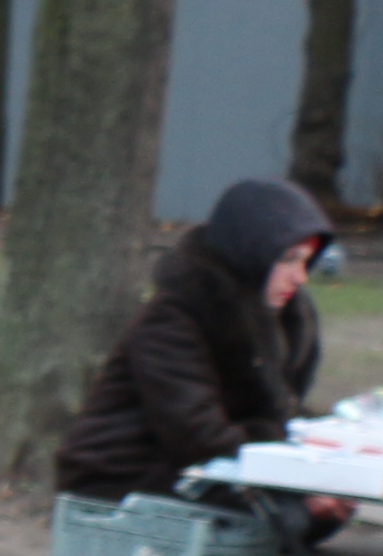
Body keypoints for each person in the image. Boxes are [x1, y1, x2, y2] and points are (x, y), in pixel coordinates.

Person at [56, 175, 331, 502]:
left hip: (200, 468)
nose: (299, 277)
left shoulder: (282, 321)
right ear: (253, 250)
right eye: (288, 259)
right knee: (296, 507)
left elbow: (275, 416)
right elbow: (198, 436)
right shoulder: (174, 317)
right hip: (123, 479)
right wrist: (293, 467)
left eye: (305, 261)